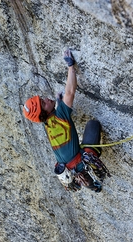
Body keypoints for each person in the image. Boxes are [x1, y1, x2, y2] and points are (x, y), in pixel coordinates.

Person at [23, 50, 110, 192]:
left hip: (69, 170)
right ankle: (93, 170)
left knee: (80, 165)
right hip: (80, 162)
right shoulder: (60, 115)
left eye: (42, 100)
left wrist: (58, 102)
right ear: (45, 112)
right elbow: (70, 92)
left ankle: (93, 186)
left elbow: (56, 114)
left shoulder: (46, 124)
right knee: (93, 125)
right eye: (43, 103)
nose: (45, 99)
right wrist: (71, 66)